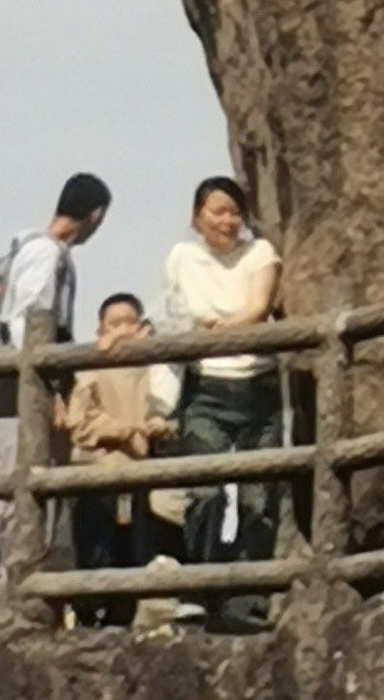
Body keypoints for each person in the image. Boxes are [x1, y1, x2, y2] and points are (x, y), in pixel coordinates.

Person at [163, 178, 283, 629]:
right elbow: (176, 315)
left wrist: (218, 328)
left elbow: (257, 308)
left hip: (257, 387)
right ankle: (201, 590)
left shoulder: (260, 254)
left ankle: (247, 605)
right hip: (205, 389)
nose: (227, 220)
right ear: (197, 217)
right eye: (217, 211)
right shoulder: (182, 257)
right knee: (204, 494)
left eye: (234, 211)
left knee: (258, 499)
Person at [63, 292, 177, 627]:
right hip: (99, 470)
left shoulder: (156, 368)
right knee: (97, 549)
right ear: (100, 330)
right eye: (114, 324)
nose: (123, 330)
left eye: (130, 322)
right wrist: (126, 430)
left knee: (137, 552)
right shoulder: (91, 369)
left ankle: (122, 620)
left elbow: (169, 412)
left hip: (143, 476)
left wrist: (160, 427)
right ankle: (89, 616)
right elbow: (79, 421)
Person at [0, 175, 114, 352]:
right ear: (96, 215)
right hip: (29, 368)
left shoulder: (37, 248)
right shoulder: (46, 252)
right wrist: (38, 366)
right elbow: (27, 316)